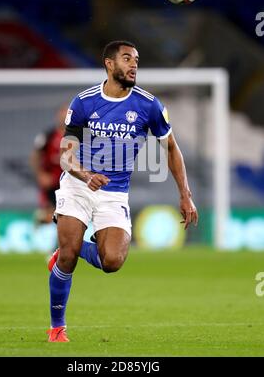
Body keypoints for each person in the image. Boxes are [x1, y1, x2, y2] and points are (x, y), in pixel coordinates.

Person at [46, 40, 198, 343]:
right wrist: (85, 174)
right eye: (127, 59)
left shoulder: (149, 105)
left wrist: (185, 194)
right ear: (109, 64)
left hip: (114, 193)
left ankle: (67, 251)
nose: (133, 65)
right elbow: (65, 156)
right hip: (78, 185)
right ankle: (57, 327)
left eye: (137, 60)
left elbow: (170, 147)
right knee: (69, 258)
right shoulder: (85, 102)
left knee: (112, 261)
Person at [30, 105, 67, 225]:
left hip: (71, 180)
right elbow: (35, 155)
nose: (65, 117)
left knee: (66, 215)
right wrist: (41, 174)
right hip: (52, 182)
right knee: (50, 215)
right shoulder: (48, 135)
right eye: (63, 113)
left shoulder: (79, 135)